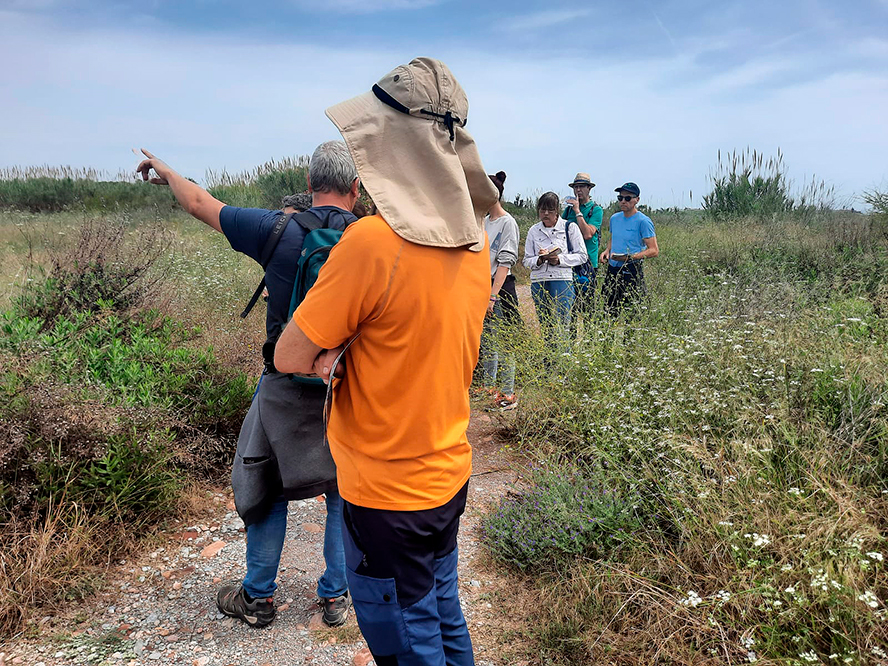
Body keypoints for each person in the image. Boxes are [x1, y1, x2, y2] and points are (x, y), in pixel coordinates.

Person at [273, 57, 499, 666]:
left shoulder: (372, 243)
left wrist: (327, 361)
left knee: (405, 638)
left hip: (386, 494)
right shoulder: (475, 242)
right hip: (447, 472)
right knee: (442, 610)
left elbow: (288, 352)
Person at [135, 141, 358, 628]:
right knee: (345, 490)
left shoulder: (275, 229)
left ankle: (257, 598)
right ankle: (337, 597)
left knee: (267, 484)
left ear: (308, 185)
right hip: (347, 385)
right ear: (357, 189)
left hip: (282, 382)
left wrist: (166, 168)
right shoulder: (371, 239)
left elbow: (199, 203)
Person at [523, 191, 588, 346]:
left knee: (563, 324)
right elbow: (526, 260)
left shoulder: (569, 227)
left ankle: (565, 362)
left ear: (557, 210)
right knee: (546, 324)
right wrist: (539, 259)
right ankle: (549, 361)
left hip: (562, 279)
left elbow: (582, 256)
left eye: (550, 210)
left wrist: (559, 259)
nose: (546, 214)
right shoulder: (533, 230)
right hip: (540, 281)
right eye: (542, 210)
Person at [480, 170, 521, 411]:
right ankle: (489, 387)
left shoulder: (508, 223)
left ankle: (508, 393)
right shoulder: (484, 222)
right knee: (488, 341)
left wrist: (493, 295)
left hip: (501, 288)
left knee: (506, 342)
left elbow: (505, 261)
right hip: (484, 285)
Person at [600, 182, 659, 316]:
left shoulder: (643, 221)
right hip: (613, 270)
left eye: (628, 198)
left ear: (637, 199)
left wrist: (630, 257)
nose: (623, 201)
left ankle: (629, 337)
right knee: (608, 312)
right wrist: (607, 251)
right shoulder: (615, 218)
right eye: (620, 198)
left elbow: (654, 250)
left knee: (631, 314)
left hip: (631, 270)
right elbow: (613, 238)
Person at [562, 172, 603, 338]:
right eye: (576, 187)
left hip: (587, 264)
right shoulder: (567, 211)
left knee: (587, 306)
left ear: (589, 189)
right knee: (570, 305)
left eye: (581, 187)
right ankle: (571, 343)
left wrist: (578, 212)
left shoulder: (596, 210)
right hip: (570, 262)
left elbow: (587, 234)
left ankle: (588, 341)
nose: (578, 190)